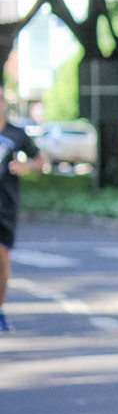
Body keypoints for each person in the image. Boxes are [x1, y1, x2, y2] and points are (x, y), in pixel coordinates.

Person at [0, 91, 48, 333]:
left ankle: (0, 309)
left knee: (2, 259)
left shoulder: (16, 134)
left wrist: (25, 165)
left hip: (5, 206)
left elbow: (41, 161)